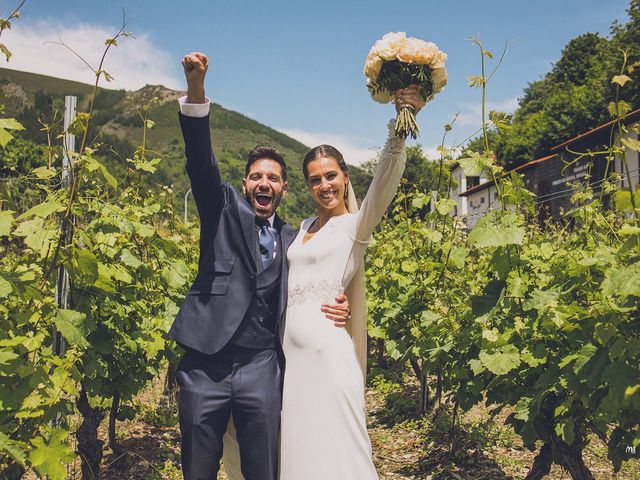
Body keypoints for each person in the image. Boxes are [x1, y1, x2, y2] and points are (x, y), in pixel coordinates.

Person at [167, 52, 350, 480]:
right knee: (196, 470)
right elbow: (199, 162)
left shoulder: (295, 239)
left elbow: (317, 282)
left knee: (264, 470)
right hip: (205, 364)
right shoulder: (222, 207)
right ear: (245, 182)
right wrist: (196, 94)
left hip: (261, 368)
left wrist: (340, 307)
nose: (264, 183)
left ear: (284, 189)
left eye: (273, 178)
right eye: (256, 176)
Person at [278, 86, 425, 479]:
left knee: (343, 452)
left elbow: (384, 183)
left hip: (330, 357)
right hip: (294, 364)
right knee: (300, 451)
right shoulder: (302, 228)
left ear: (345, 177)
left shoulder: (355, 227)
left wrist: (400, 127)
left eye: (330, 176)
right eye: (314, 180)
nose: (324, 185)